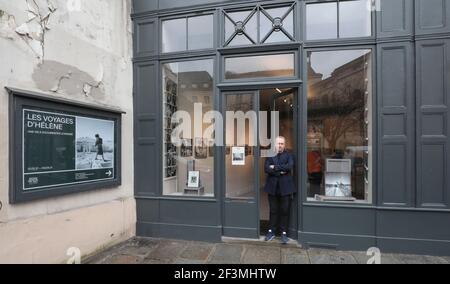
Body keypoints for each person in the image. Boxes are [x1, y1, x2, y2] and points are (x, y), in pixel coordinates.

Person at [264, 136, 296, 244]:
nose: (280, 145)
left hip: (285, 188)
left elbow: (290, 166)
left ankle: (284, 233)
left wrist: (275, 167)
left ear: (284, 145)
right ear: (275, 144)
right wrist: (281, 170)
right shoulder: (270, 155)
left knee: (284, 211)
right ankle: (271, 231)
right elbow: (266, 168)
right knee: (273, 210)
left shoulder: (289, 155)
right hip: (272, 188)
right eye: (278, 143)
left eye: (282, 143)